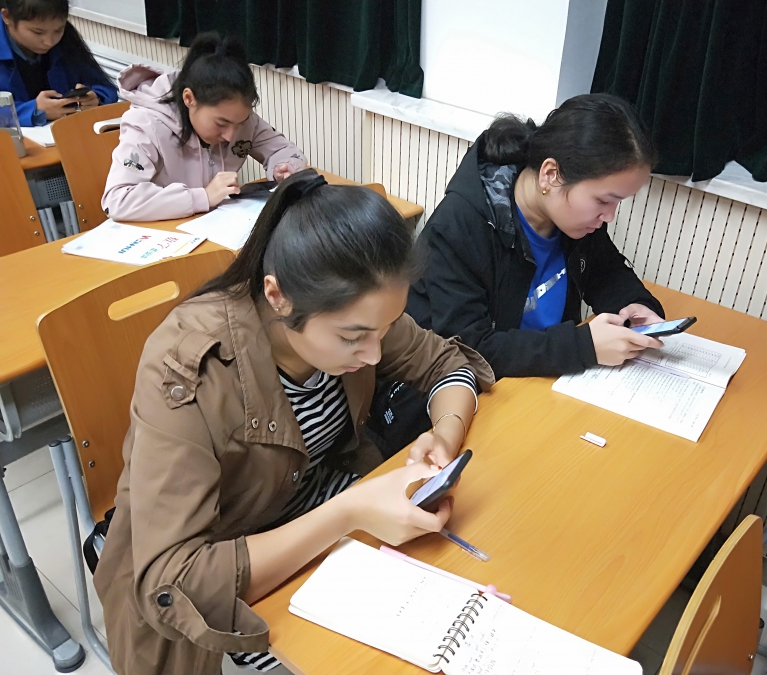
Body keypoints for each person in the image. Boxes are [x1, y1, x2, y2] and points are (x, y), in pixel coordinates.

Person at [93, 169, 493, 675]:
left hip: (317, 508)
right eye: (352, 338)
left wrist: (444, 434)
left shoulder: (360, 310)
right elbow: (177, 580)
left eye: (386, 330)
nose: (374, 355)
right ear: (278, 296)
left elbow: (447, 365)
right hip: (230, 555)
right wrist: (348, 513)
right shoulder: (190, 368)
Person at [407, 93, 667, 380]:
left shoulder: (575, 222)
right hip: (470, 389)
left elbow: (606, 273)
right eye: (604, 201)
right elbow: (470, 350)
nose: (610, 216)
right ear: (551, 174)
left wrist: (637, 307)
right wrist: (583, 346)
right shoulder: (459, 226)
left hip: (543, 380)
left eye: (618, 203)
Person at [102, 32, 307, 222]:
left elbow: (283, 150)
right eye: (221, 123)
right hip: (165, 235)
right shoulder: (147, 124)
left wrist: (284, 167)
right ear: (189, 99)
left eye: (240, 123)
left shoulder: (239, 119)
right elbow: (116, 200)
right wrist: (203, 197)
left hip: (213, 227)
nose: (231, 136)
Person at [0, 0, 116, 126]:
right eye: (38, 32)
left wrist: (96, 98)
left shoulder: (66, 39)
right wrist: (32, 111)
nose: (49, 42)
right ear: (7, 17)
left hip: (64, 131)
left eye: (58, 30)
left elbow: (105, 87)